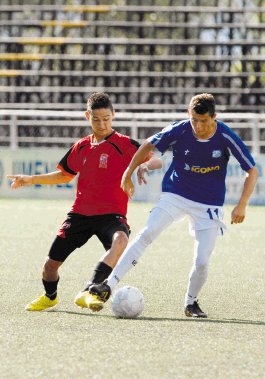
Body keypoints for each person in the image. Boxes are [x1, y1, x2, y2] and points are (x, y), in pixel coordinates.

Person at [88, 93, 259, 318]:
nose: (197, 126)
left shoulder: (226, 135)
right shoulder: (179, 129)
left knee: (202, 261)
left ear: (214, 117)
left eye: (203, 121)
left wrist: (242, 205)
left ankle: (191, 303)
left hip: (209, 203)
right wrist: (128, 173)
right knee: (146, 234)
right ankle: (107, 285)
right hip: (175, 194)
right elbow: (148, 145)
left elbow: (252, 171)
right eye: (193, 120)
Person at [7, 92, 162, 312]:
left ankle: (91, 289)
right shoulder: (81, 146)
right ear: (87, 116)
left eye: (107, 118)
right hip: (80, 214)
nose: (102, 124)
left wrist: (144, 166)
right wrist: (30, 179)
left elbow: (156, 158)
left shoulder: (125, 144)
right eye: (96, 119)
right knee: (50, 266)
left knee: (121, 240)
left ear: (114, 115)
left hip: (111, 214)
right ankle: (50, 296)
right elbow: (64, 175)